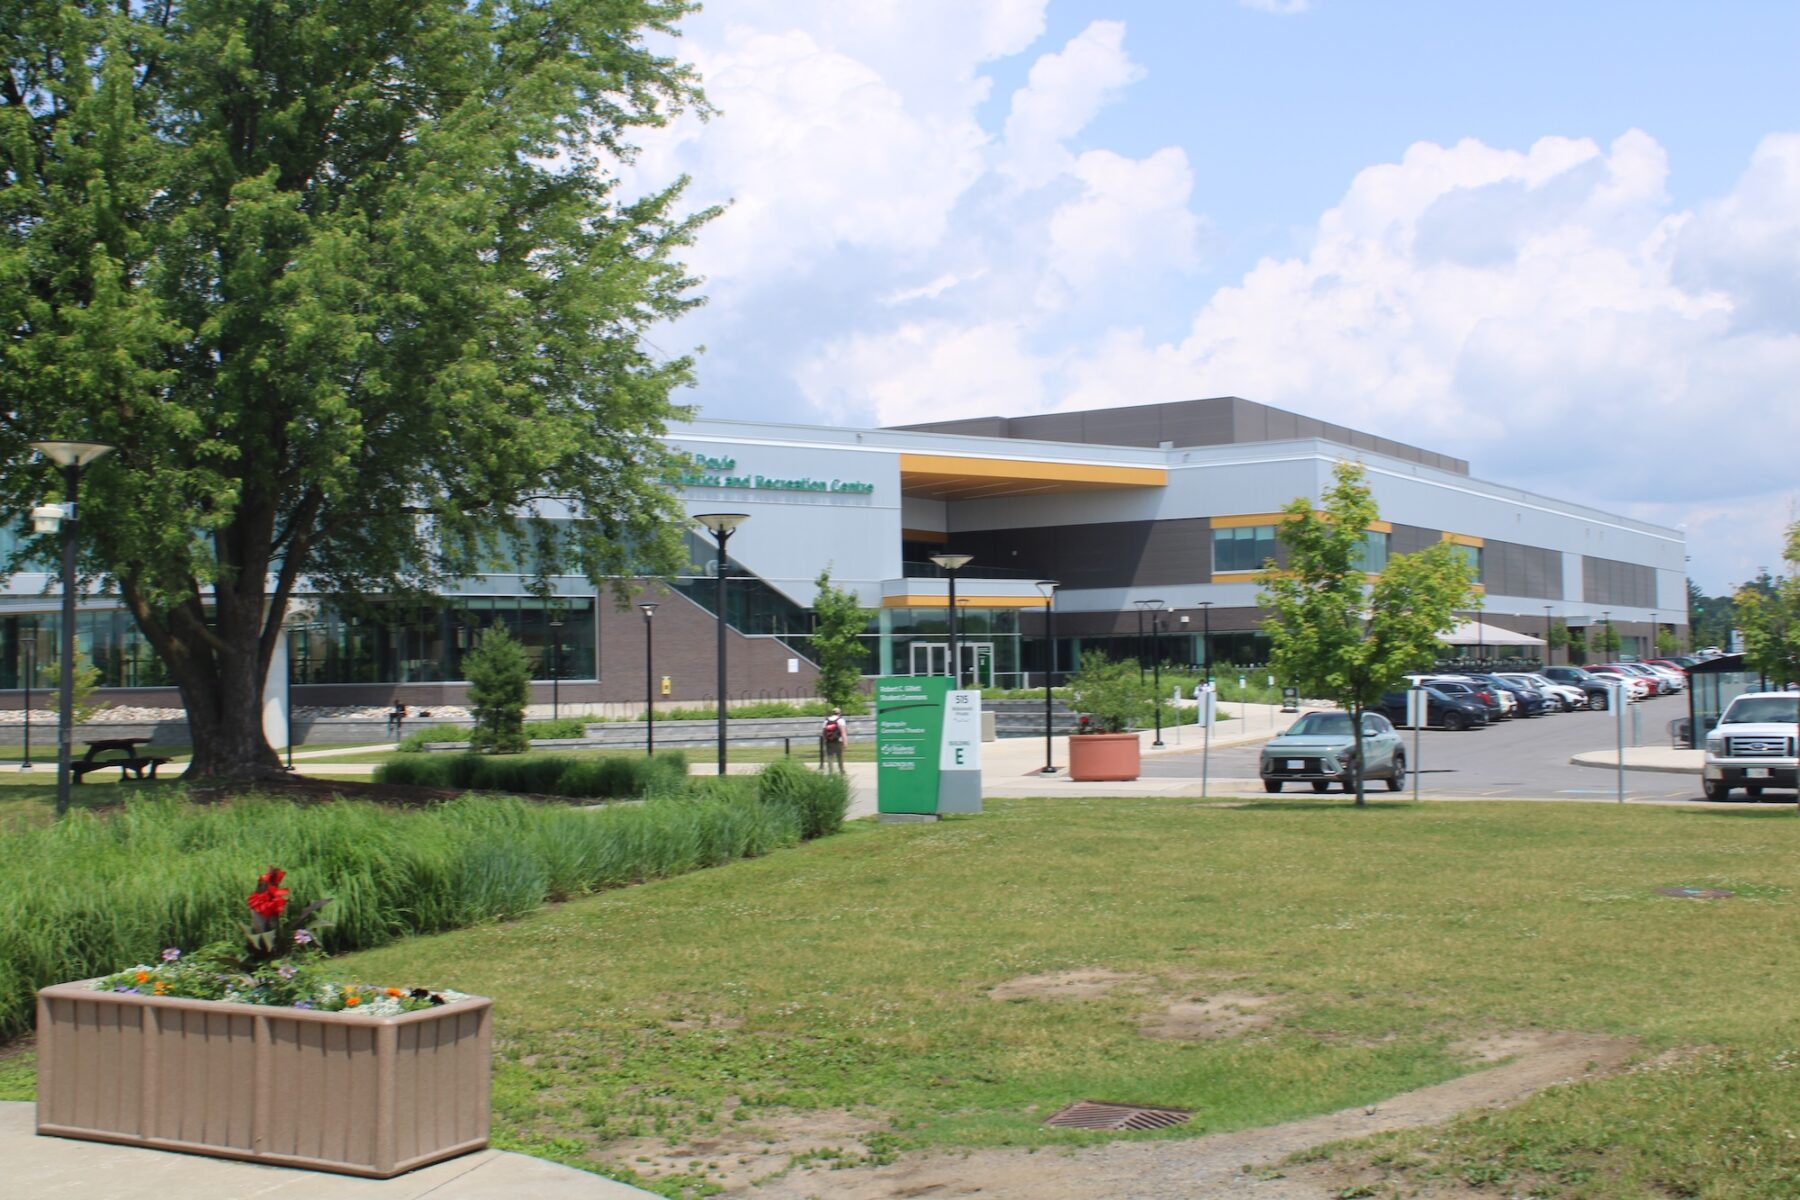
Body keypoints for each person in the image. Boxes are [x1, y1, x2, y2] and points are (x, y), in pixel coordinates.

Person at [820, 707, 847, 773]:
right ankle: (841, 770)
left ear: (832, 713)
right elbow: (843, 732)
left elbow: (823, 732)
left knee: (830, 757)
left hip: (829, 741)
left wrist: (824, 741)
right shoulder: (841, 720)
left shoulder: (826, 720)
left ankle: (831, 772)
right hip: (838, 741)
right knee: (840, 756)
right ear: (839, 713)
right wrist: (845, 743)